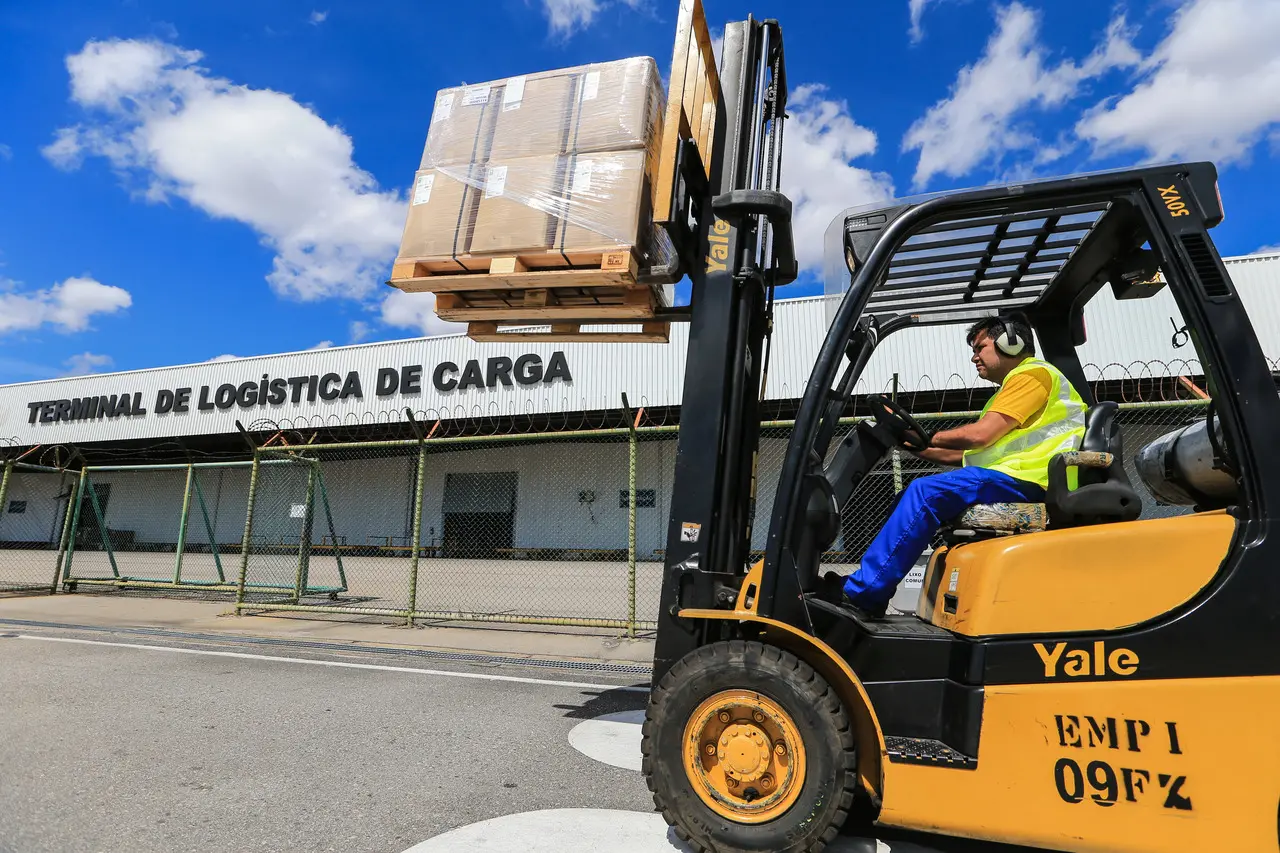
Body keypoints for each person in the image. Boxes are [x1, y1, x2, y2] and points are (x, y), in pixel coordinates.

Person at [842, 314, 1087, 616]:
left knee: (925, 492)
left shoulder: (1031, 376)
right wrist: (913, 444)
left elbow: (980, 435)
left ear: (1011, 342)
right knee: (910, 495)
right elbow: (963, 455)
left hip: (1032, 482)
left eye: (979, 347)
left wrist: (930, 435)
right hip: (1010, 478)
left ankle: (866, 593)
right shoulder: (1015, 387)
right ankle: (867, 582)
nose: (974, 357)